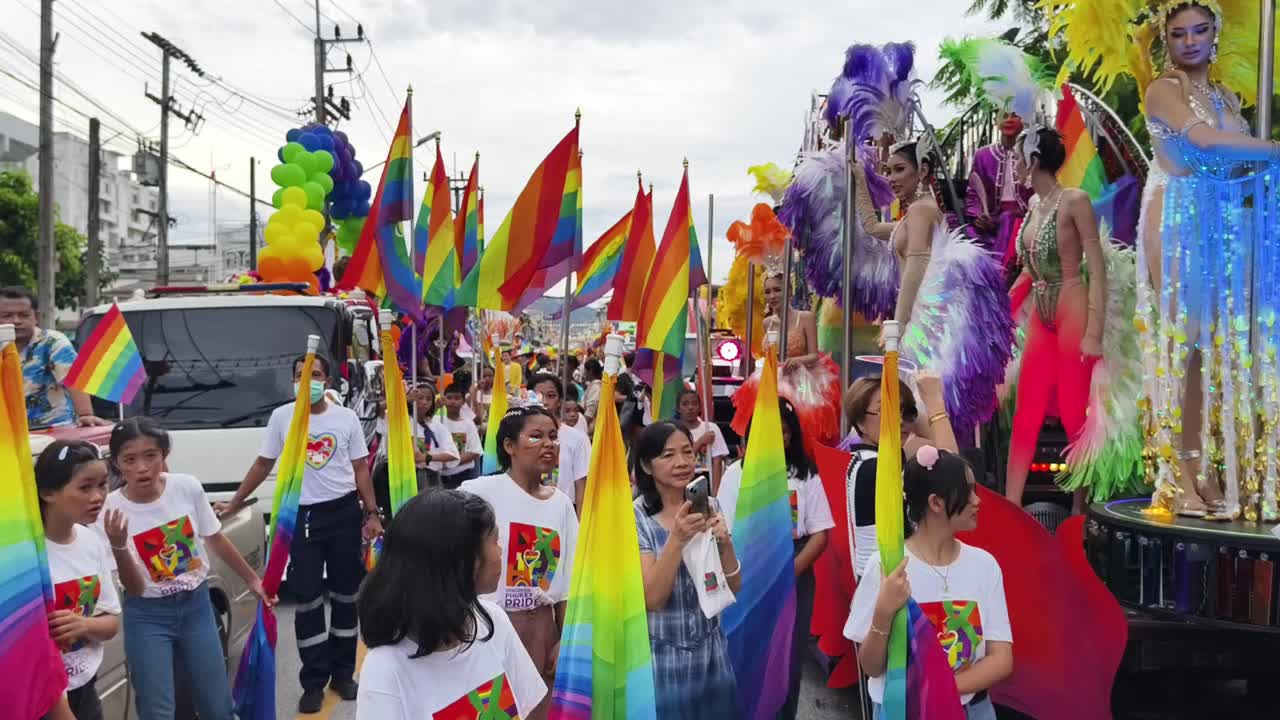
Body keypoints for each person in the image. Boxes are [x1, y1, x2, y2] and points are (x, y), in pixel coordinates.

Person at [1132, 2, 1280, 517]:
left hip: (1219, 223)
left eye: (1200, 30)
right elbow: (1205, 142)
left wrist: (1257, 164)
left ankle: (1203, 468)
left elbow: (1234, 159)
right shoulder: (1163, 90)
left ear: (1215, 34)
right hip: (1175, 212)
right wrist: (1271, 149)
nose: (1190, 40)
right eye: (1178, 33)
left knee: (1213, 351)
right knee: (1183, 344)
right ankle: (1174, 475)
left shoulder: (1224, 95)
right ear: (1166, 40)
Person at [217, 354, 379, 713]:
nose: (309, 381)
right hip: (302, 518)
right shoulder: (283, 417)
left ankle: (342, 673)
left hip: (343, 513)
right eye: (301, 375)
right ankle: (313, 681)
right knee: (306, 599)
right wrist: (234, 501)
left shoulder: (345, 418)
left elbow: (360, 468)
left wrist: (371, 513)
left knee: (345, 596)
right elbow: (264, 463)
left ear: (328, 379)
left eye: (316, 374)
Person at [96, 418, 271, 720]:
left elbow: (214, 537)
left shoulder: (186, 487)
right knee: (157, 710)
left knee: (217, 705)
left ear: (163, 455)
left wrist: (253, 580)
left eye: (151, 455)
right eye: (130, 459)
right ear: (117, 464)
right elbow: (135, 588)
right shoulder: (109, 512)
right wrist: (119, 545)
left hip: (197, 607)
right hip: (147, 616)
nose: (142, 467)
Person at [845, 447, 1013, 719]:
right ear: (936, 503)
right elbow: (871, 666)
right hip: (904, 711)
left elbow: (1002, 659)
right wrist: (883, 612)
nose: (977, 501)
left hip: (971, 711)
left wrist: (937, 688)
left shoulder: (984, 566)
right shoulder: (887, 567)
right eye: (968, 492)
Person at [1004, 127, 1120, 512]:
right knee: (1026, 411)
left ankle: (1079, 515)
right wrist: (1001, 311)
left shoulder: (1074, 201)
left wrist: (1094, 331)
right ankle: (1011, 508)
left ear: (1034, 160)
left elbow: (1097, 267)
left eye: (1019, 156)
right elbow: (1029, 270)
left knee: (1073, 413)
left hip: (1072, 302)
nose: (1015, 163)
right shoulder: (1033, 209)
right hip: (1042, 307)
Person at [356, 490, 547, 719]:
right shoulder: (386, 670)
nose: (501, 551)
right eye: (495, 541)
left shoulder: (493, 622)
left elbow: (531, 709)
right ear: (464, 561)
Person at [717, 400, 834, 720]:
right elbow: (724, 532)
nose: (779, 438)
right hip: (745, 570)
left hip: (794, 571)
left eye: (784, 432)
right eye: (771, 431)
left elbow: (820, 534)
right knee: (748, 650)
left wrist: (787, 573)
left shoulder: (805, 475)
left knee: (787, 654)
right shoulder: (735, 474)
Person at [459, 407, 578, 709]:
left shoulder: (561, 504)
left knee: (538, 709)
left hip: (540, 630)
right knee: (492, 710)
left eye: (553, 436)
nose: (548, 444)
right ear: (509, 446)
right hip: (485, 627)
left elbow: (568, 582)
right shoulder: (477, 492)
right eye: (535, 436)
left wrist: (563, 640)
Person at [633, 422, 741, 720]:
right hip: (663, 659)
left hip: (712, 655)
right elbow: (652, 599)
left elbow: (733, 587)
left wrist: (725, 543)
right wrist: (677, 538)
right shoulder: (636, 517)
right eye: (668, 455)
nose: (682, 463)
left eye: (687, 452)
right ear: (646, 464)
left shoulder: (709, 504)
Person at [726, 207, 843, 457]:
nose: (772, 296)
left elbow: (815, 354)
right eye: (768, 292)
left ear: (787, 291)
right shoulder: (768, 323)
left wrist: (795, 361)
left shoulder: (806, 317)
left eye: (776, 290)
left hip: (804, 381)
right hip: (775, 381)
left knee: (805, 428)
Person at [36, 440, 121, 720]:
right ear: (48, 492)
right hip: (40, 699)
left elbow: (111, 624)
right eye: (85, 487)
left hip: (84, 688)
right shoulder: (23, 556)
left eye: (102, 485)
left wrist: (83, 624)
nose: (98, 496)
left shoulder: (91, 540)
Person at [0, 286, 107, 428]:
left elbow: (74, 378)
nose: (16, 321)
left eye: (24, 315)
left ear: (36, 317)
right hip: (9, 435)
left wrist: (85, 415)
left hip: (54, 431)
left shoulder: (52, 341)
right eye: (7, 315)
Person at [965, 113, 1033, 258]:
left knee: (1008, 219)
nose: (1009, 120)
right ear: (996, 121)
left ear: (1023, 120)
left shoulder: (1032, 155)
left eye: (1015, 116)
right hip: (990, 221)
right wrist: (979, 216)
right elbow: (973, 192)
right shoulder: (983, 154)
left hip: (1023, 219)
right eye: (1004, 116)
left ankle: (1000, 272)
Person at [527, 373, 591, 511]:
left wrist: (579, 526)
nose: (544, 401)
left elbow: (581, 485)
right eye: (538, 395)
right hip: (529, 509)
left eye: (551, 396)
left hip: (563, 511)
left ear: (560, 401)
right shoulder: (522, 437)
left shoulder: (577, 439)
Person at [675, 388, 728, 492]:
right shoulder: (675, 431)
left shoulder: (711, 428)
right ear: (678, 408)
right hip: (683, 479)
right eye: (685, 404)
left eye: (694, 404)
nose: (690, 407)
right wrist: (700, 442)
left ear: (700, 407)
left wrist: (715, 492)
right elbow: (682, 459)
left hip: (705, 478)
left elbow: (717, 462)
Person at [440, 382, 484, 487]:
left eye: (457, 398)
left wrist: (450, 462)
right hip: (442, 477)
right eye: (449, 398)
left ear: (463, 401)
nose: (452, 401)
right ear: (444, 399)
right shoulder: (438, 422)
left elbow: (475, 452)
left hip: (463, 475)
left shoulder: (468, 424)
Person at [581, 358, 604, 433]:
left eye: (585, 370)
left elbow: (590, 411)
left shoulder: (596, 387)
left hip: (591, 428)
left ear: (590, 371)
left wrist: (582, 427)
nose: (584, 373)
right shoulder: (593, 385)